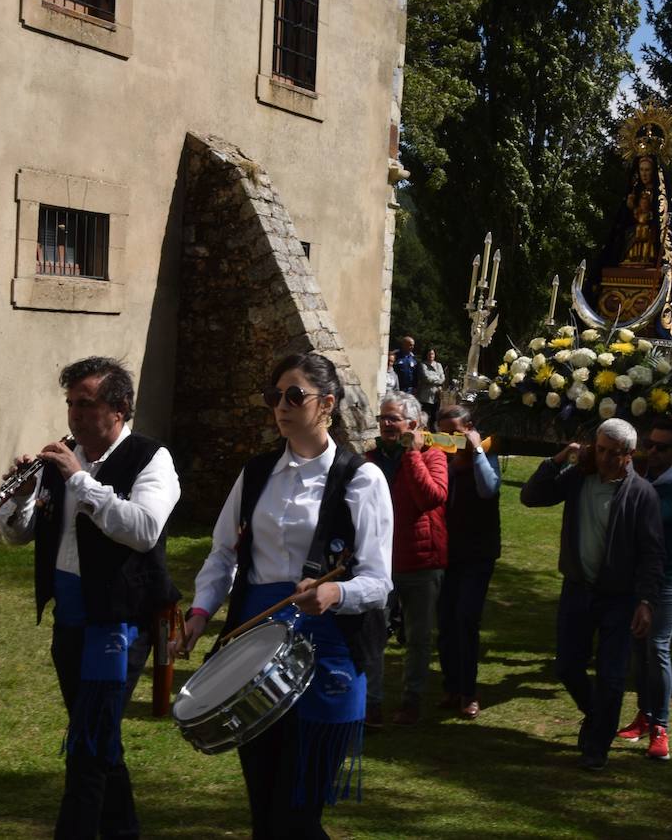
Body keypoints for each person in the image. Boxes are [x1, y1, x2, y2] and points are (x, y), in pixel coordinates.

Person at [178, 353, 393, 838]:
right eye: (275, 396)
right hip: (254, 661)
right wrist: (199, 612)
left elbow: (379, 581)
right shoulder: (255, 473)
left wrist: (336, 590)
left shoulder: (362, 478)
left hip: (329, 654)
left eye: (294, 396)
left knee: (296, 816)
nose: (281, 405)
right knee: (265, 815)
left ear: (327, 405)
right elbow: (221, 554)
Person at [0, 357, 180, 839]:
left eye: (86, 404)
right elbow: (18, 537)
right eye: (71, 404)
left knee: (87, 747)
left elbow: (142, 530)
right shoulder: (61, 460)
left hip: (120, 623)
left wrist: (80, 479)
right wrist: (20, 497)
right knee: (99, 741)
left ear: (119, 409)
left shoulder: (151, 458)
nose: (75, 415)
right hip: (71, 620)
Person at [520, 418, 662, 771]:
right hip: (577, 589)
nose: (604, 458)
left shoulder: (641, 494)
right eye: (599, 450)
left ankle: (597, 748)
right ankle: (598, 716)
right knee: (567, 667)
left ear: (628, 455)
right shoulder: (578, 478)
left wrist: (646, 601)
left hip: (620, 597)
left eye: (614, 453)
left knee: (612, 677)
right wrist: (556, 462)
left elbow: (652, 552)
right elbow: (531, 497)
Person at [366, 391, 447, 726]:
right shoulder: (371, 458)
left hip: (421, 558)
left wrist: (412, 455)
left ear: (413, 424)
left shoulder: (434, 455)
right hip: (380, 562)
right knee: (373, 634)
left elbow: (431, 497)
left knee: (417, 637)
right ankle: (371, 702)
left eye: (393, 419)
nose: (386, 424)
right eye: (382, 418)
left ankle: (411, 701)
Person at [616, 418, 672, 762]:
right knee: (639, 649)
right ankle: (644, 714)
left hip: (666, 580)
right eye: (650, 444)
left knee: (657, 648)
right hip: (636, 576)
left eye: (662, 447)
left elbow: (650, 519)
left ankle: (660, 726)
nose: (653, 451)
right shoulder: (646, 476)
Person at [435, 405, 500, 720]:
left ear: (470, 428)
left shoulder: (487, 454)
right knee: (446, 620)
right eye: (443, 433)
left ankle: (469, 691)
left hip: (478, 551)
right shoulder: (442, 460)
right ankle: (452, 686)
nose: (449, 439)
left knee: (466, 618)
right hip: (446, 552)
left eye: (455, 432)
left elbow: (489, 489)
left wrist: (475, 452)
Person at [414, 347, 446, 422]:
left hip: (436, 394)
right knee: (425, 413)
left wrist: (435, 379)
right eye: (429, 354)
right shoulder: (422, 365)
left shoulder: (439, 365)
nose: (431, 355)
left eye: (432, 354)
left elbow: (443, 378)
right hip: (425, 394)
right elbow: (426, 378)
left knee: (434, 414)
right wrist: (437, 379)